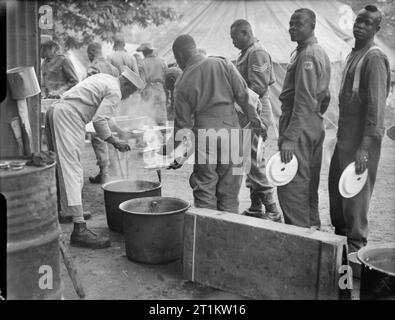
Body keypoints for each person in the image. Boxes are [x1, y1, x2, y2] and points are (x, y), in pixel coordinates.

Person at [46, 67, 145, 248]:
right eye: (130, 92)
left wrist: (122, 132)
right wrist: (114, 141)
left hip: (58, 110)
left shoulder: (106, 78)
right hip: (68, 116)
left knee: (61, 167)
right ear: (125, 84)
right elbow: (100, 121)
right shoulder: (115, 91)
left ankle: (66, 210)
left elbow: (105, 118)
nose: (128, 96)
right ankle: (80, 230)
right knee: (72, 171)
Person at [169, 34, 266, 213]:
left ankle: (209, 237)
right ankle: (230, 236)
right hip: (235, 134)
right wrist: (256, 121)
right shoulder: (223, 63)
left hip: (205, 138)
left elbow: (183, 126)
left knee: (205, 190)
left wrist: (177, 154)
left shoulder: (182, 83)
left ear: (180, 55)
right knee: (230, 193)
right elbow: (244, 95)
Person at [328, 5, 391, 253]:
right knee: (338, 195)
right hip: (344, 139)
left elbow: (376, 110)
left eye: (367, 23)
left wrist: (364, 147)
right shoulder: (354, 54)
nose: (360, 26)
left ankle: (355, 257)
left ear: (377, 28)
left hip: (361, 142)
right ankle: (341, 252)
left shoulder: (374, 58)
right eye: (358, 21)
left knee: (355, 199)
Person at [277, 8, 331, 229]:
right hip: (313, 123)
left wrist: (290, 137)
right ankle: (312, 231)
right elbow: (325, 97)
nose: (292, 28)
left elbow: (303, 100)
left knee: (291, 186)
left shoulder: (308, 55)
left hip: (299, 124)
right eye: (290, 23)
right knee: (308, 183)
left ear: (312, 26)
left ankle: (300, 238)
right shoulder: (316, 51)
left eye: (298, 24)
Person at [230, 19, 281, 221]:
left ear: (246, 33)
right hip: (247, 111)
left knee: (254, 161)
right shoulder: (246, 52)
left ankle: (273, 210)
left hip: (256, 112)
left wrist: (237, 100)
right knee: (248, 159)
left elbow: (258, 87)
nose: (233, 42)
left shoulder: (257, 52)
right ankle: (255, 207)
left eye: (235, 37)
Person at [85, 42, 120, 184]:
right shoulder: (113, 68)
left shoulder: (93, 67)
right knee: (112, 137)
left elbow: (88, 90)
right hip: (111, 108)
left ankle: (104, 173)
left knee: (99, 139)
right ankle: (115, 170)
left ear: (91, 53)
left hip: (98, 109)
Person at [136, 42, 168, 125]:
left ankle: (152, 137)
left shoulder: (141, 64)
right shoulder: (162, 62)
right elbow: (166, 77)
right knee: (162, 117)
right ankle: (164, 136)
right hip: (160, 90)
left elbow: (141, 82)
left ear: (143, 52)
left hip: (149, 91)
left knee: (149, 118)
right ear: (151, 51)